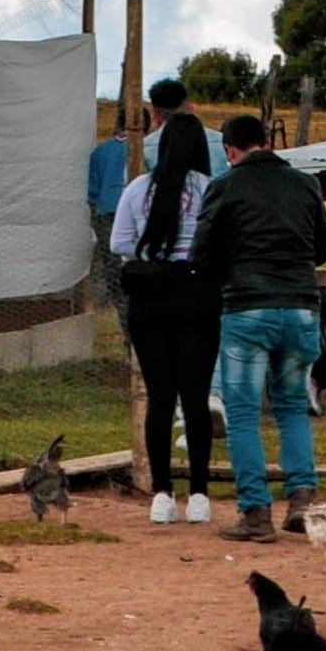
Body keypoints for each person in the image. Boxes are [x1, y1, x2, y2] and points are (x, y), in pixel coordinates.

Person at [197, 113, 326, 541]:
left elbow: (202, 253)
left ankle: (256, 513)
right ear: (267, 142)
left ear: (230, 150)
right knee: (292, 405)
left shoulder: (225, 186)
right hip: (300, 307)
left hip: (247, 308)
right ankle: (302, 502)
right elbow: (322, 249)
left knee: (242, 413)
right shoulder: (305, 184)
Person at [107, 113, 222, 522]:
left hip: (150, 298)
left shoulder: (139, 188)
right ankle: (200, 496)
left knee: (160, 397)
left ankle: (160, 495)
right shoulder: (210, 189)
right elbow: (221, 244)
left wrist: (150, 250)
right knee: (195, 396)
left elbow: (118, 241)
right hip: (197, 296)